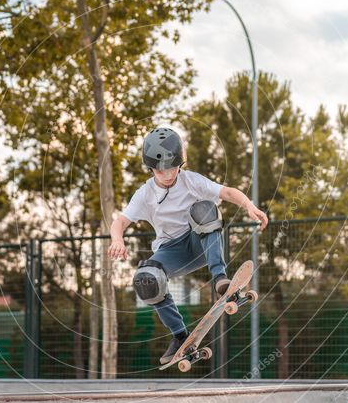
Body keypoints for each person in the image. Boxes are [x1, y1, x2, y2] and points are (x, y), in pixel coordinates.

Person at [109, 127, 268, 364]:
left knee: (204, 209)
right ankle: (179, 336)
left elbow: (227, 192)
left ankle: (220, 279)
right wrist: (117, 239)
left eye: (173, 167)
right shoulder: (144, 194)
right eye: (162, 169)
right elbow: (120, 221)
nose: (168, 174)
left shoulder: (191, 180)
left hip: (200, 242)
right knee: (146, 278)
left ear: (180, 163)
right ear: (151, 168)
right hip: (172, 251)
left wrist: (249, 206)